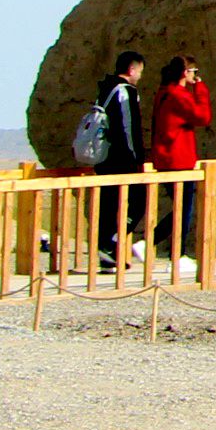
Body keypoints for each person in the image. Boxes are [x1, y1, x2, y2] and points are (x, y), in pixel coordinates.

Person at [149, 56, 212, 262]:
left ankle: (163, 247)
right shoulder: (178, 95)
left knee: (181, 207)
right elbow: (202, 116)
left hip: (166, 158)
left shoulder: (164, 93)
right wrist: (200, 89)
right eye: (194, 71)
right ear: (185, 73)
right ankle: (175, 252)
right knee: (184, 209)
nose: (196, 75)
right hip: (178, 159)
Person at [93, 52, 148, 269]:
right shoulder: (125, 91)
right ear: (131, 70)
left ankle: (107, 255)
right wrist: (137, 157)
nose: (140, 76)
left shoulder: (105, 88)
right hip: (122, 159)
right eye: (140, 71)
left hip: (104, 157)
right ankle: (111, 242)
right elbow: (128, 127)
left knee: (108, 204)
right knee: (138, 201)